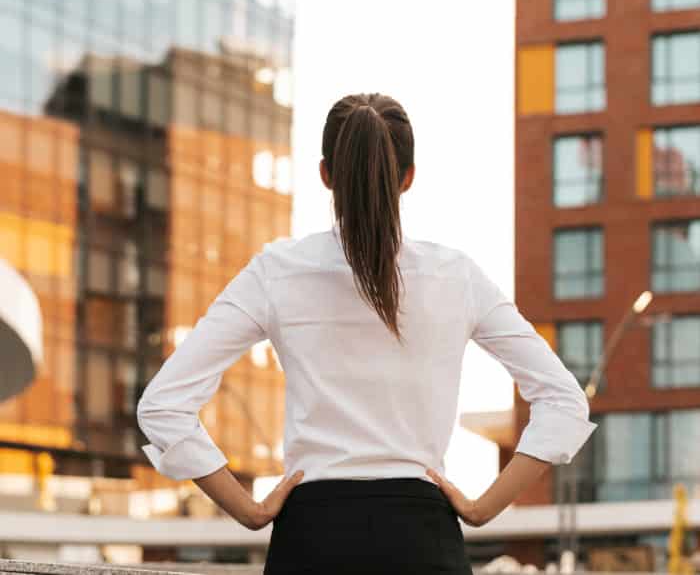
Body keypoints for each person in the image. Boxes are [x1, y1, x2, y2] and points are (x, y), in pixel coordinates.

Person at [136, 93, 598, 575]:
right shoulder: (455, 276)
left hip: (311, 538)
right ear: (409, 177)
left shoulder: (276, 272)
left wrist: (247, 509)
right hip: (424, 540)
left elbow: (163, 405)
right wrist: (484, 508)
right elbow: (565, 401)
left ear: (325, 175)